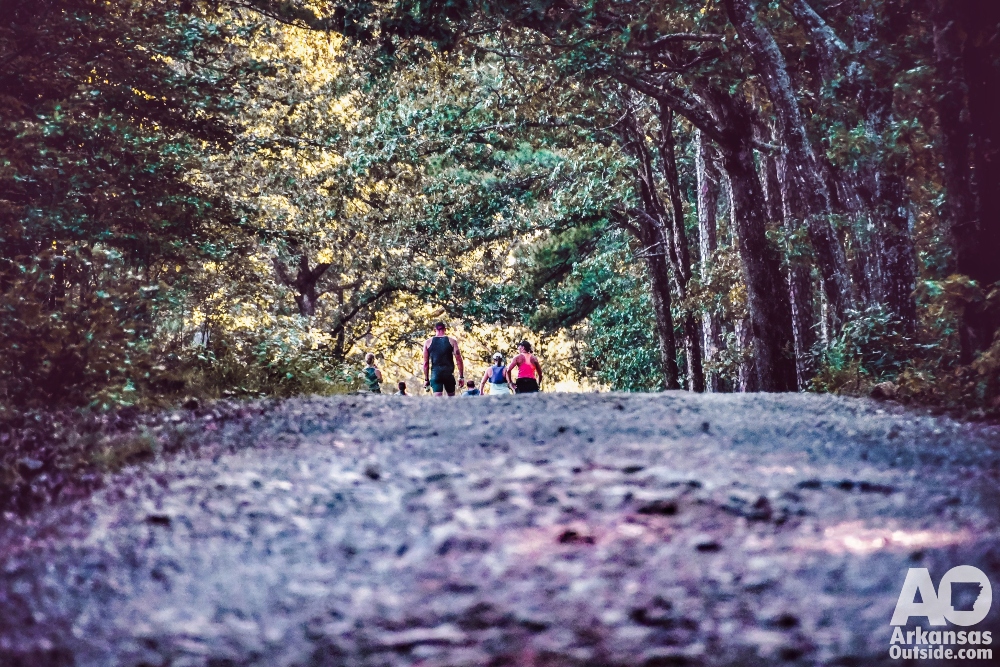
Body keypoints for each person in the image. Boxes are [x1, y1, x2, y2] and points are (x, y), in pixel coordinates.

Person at [422, 321, 465, 396]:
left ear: (435, 329)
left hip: (436, 374)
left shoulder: (427, 342)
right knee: (451, 400)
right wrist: (461, 377)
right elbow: (459, 360)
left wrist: (426, 379)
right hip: (448, 374)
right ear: (445, 329)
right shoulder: (452, 341)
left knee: (438, 402)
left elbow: (425, 363)